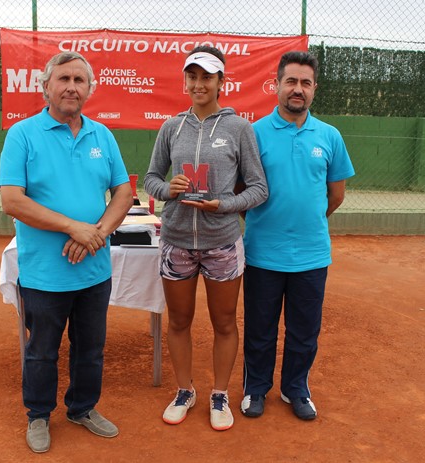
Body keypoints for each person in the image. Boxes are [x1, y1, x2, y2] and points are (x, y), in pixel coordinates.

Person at [0, 51, 133, 453]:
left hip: (94, 271)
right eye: (63, 79)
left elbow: (123, 192)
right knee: (41, 351)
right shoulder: (22, 135)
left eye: (80, 80)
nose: (72, 86)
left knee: (91, 348)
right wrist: (73, 226)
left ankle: (82, 408)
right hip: (44, 274)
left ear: (89, 89)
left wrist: (97, 233)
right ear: (46, 86)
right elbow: (12, 201)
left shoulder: (101, 135)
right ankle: (38, 415)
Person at [144, 45, 268, 431]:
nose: (199, 84)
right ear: (185, 80)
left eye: (207, 77)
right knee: (179, 322)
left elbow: (259, 189)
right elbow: (150, 179)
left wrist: (224, 205)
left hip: (222, 242)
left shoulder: (239, 129)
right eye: (192, 76)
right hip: (177, 241)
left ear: (221, 82)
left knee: (225, 323)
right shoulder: (171, 127)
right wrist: (169, 190)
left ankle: (219, 395)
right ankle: (185, 390)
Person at [240, 51, 355, 421]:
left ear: (314, 89)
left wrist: (307, 221)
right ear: (276, 85)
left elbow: (335, 194)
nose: (297, 89)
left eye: (305, 83)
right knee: (260, 329)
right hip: (262, 252)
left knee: (304, 331)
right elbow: (243, 191)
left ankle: (295, 388)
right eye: (291, 81)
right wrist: (269, 220)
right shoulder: (253, 133)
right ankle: (255, 389)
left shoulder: (330, 136)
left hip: (311, 254)